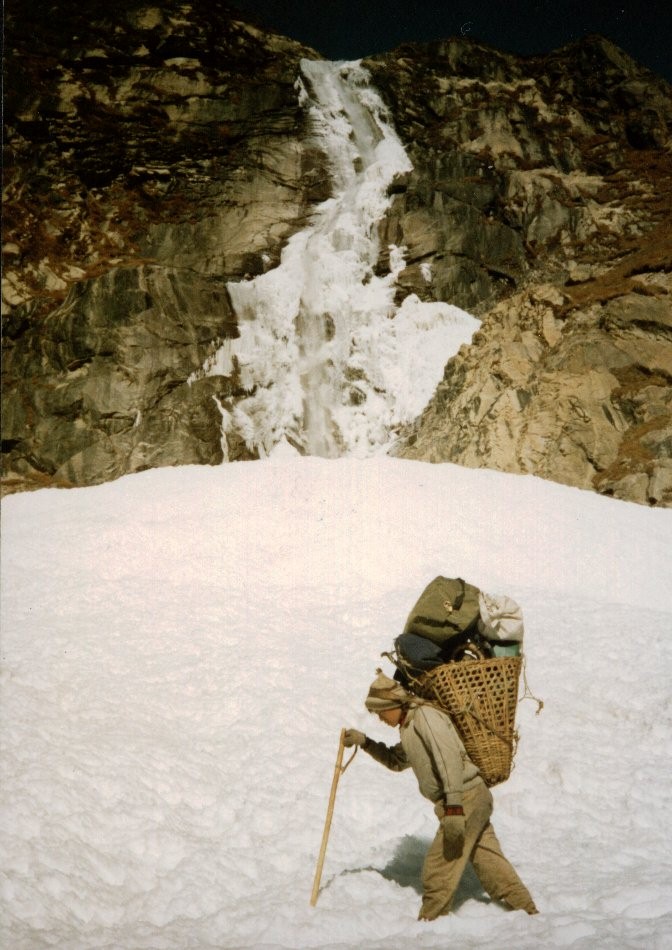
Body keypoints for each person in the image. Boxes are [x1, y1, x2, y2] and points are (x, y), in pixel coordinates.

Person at [344, 670, 538, 921]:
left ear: (393, 704)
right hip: (469, 798)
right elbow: (395, 761)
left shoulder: (425, 716)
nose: (380, 718)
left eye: (381, 712)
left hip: (464, 797)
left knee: (439, 867)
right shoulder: (408, 727)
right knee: (490, 862)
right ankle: (530, 914)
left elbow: (448, 759)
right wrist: (365, 742)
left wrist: (455, 807)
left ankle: (429, 923)